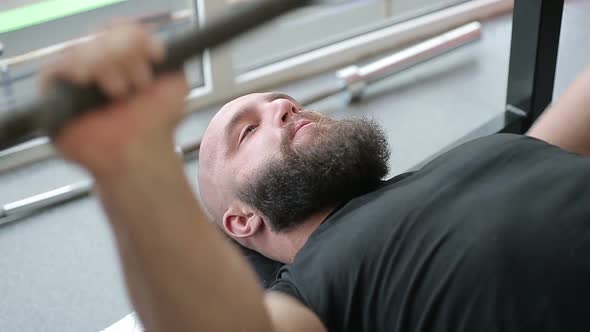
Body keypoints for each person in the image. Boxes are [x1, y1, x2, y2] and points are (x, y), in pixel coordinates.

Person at [45, 24, 590, 332]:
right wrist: (138, 165)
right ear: (241, 220)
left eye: (281, 100)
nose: (281, 105)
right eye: (247, 132)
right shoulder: (315, 288)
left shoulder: (473, 161)